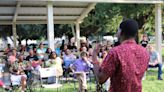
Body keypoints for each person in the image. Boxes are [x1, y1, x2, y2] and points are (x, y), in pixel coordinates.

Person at [92, 19, 150, 92]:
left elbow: (101, 79)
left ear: (120, 32)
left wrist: (94, 56)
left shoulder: (115, 52)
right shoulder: (145, 52)